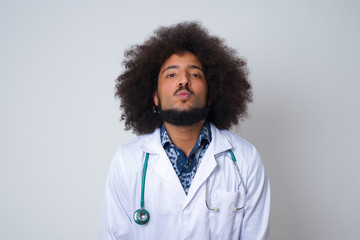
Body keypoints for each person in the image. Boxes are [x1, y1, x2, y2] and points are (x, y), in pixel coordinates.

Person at [101, 21, 270, 240]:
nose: (183, 81)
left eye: (195, 75)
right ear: (155, 96)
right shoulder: (127, 160)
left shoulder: (245, 159)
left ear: (211, 94)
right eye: (171, 75)